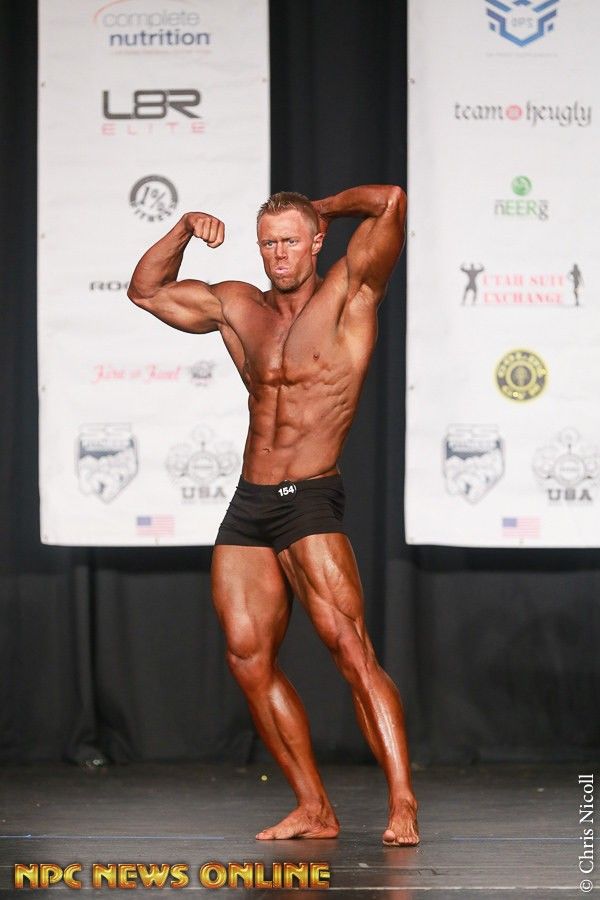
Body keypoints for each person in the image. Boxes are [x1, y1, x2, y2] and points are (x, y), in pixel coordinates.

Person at [128, 185, 419, 845]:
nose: (279, 254)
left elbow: (390, 202)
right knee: (247, 656)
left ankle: (403, 803)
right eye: (269, 243)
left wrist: (323, 207)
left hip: (309, 496)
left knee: (351, 648)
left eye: (290, 240)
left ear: (315, 242)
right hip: (250, 502)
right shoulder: (239, 306)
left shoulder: (349, 292)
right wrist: (182, 228)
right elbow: (146, 291)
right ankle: (314, 807)